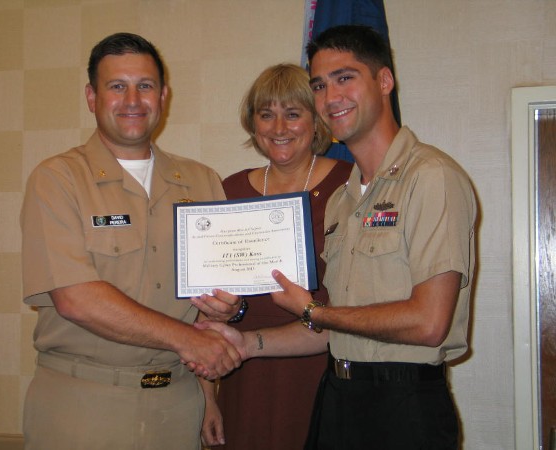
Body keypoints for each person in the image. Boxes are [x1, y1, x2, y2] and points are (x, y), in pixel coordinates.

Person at [194, 25, 477, 450]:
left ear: (384, 81)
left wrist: (314, 310)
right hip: (339, 394)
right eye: (320, 85)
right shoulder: (349, 196)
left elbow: (429, 322)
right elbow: (340, 327)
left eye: (345, 78)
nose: (331, 97)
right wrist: (246, 342)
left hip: (403, 401)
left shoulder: (431, 176)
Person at [20, 32, 242, 450]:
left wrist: (208, 394)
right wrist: (187, 339)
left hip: (178, 404)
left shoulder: (203, 181)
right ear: (92, 96)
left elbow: (213, 310)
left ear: (164, 94)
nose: (133, 99)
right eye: (116, 86)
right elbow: (75, 298)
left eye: (145, 85)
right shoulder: (57, 180)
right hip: (82, 405)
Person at [196, 64, 352, 449]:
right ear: (253, 124)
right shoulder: (228, 189)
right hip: (242, 375)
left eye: (293, 113)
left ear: (316, 122)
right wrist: (206, 399)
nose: (279, 127)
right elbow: (205, 309)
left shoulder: (352, 185)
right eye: (266, 114)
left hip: (325, 371)